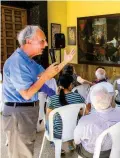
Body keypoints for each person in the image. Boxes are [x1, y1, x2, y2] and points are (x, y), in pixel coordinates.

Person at [2, 25, 75, 158]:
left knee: (26, 149)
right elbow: (27, 94)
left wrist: (65, 62)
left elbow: (49, 72)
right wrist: (45, 77)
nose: (46, 44)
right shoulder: (17, 62)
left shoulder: (28, 61)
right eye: (42, 41)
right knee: (20, 153)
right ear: (29, 41)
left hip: (27, 111)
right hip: (18, 113)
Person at [74, 84, 120, 158]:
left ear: (93, 103)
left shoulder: (85, 121)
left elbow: (77, 140)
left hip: (93, 153)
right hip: (114, 149)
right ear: (109, 98)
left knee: (77, 144)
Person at [46, 74, 85, 152]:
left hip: (58, 133)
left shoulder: (52, 99)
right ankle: (70, 143)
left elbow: (49, 116)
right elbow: (82, 113)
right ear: (70, 85)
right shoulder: (78, 97)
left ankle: (55, 144)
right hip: (75, 130)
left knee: (48, 122)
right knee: (71, 119)